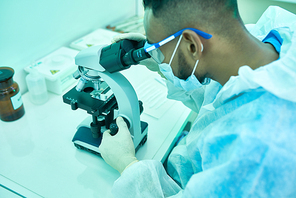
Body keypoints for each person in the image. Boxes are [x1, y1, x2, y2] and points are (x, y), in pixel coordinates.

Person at [99, 0, 296, 197]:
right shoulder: (271, 40)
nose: (156, 55)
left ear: (192, 46)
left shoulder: (256, 152)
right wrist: (161, 60)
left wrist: (128, 166)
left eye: (158, 49)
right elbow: (217, 98)